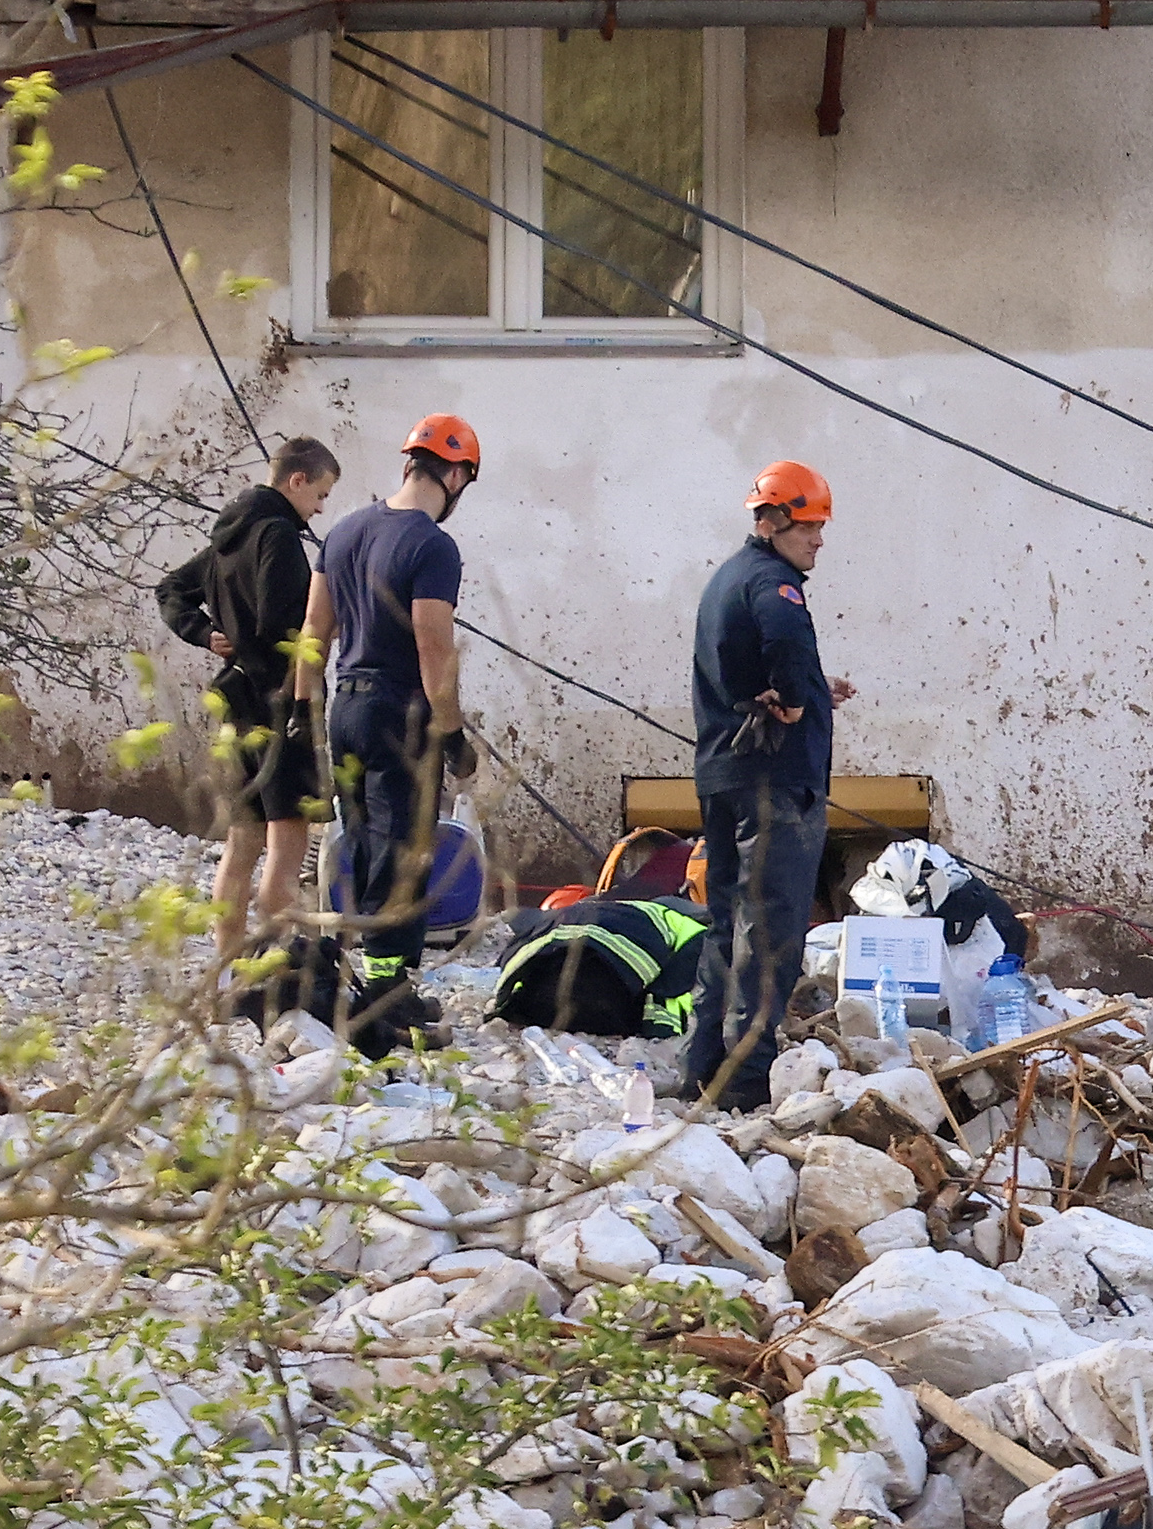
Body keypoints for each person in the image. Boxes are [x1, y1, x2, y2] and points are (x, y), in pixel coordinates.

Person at [306, 413, 484, 1052]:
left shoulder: (344, 531)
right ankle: (386, 995)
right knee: (406, 849)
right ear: (457, 473)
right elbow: (433, 644)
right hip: (400, 711)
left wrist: (303, 717)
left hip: (345, 706)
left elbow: (313, 635)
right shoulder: (433, 546)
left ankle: (376, 983)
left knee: (363, 841)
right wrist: (453, 730)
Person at [685, 459, 855, 1110]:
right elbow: (782, 636)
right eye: (810, 526)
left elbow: (750, 659)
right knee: (771, 928)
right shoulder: (775, 582)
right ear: (777, 520)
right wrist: (792, 698)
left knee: (723, 919)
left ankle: (700, 1064)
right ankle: (748, 1080)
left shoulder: (730, 576)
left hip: (723, 774)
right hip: (773, 785)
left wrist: (812, 687)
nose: (818, 540)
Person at [201, 437, 339, 993]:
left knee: (240, 845)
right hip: (281, 702)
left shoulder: (225, 534)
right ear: (296, 481)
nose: (321, 510)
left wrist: (206, 634)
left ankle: (226, 970)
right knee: (287, 845)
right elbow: (286, 625)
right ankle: (277, 972)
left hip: (235, 700)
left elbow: (174, 589)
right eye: (321, 494)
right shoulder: (279, 536)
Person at [492, 884, 709, 1037]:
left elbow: (511, 957)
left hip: (533, 1004)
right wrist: (659, 1030)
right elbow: (670, 989)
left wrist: (502, 1003)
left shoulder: (590, 909)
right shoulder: (694, 930)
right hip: (602, 1007)